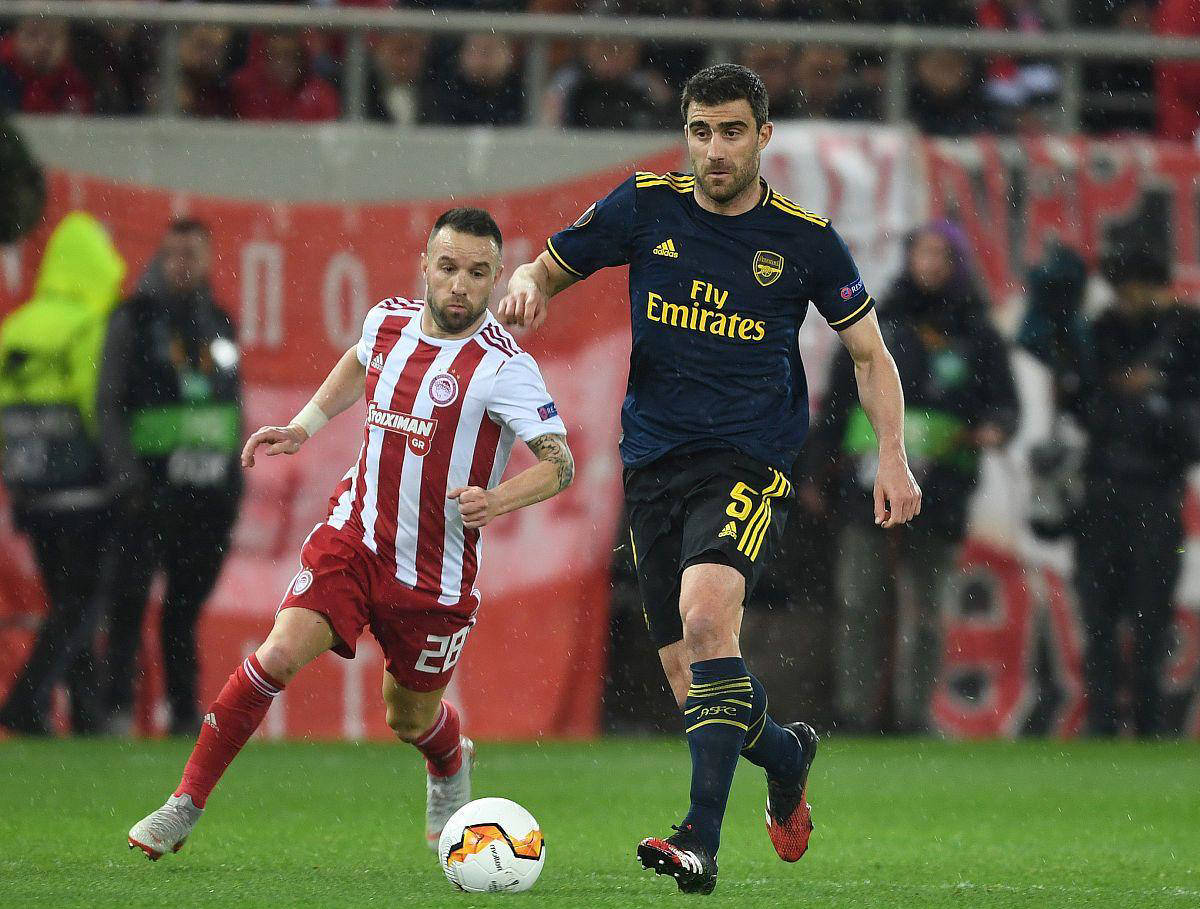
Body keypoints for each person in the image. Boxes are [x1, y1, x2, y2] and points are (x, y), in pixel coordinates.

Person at [498, 64, 920, 894]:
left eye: (731, 132)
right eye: (700, 132)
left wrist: (893, 454)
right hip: (654, 466)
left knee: (704, 618)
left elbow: (869, 353)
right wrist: (523, 285)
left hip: (748, 462)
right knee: (693, 678)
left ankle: (700, 838)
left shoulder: (804, 239)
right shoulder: (644, 206)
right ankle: (786, 753)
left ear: (763, 136)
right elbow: (544, 268)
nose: (715, 149)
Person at [126, 208, 575, 859]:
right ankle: (184, 803)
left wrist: (495, 499)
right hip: (354, 537)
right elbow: (360, 362)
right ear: (424, 265)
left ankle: (449, 757)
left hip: (434, 574)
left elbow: (560, 464)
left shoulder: (505, 367)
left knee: (407, 718)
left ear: (497, 276)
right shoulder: (388, 320)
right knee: (278, 655)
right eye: (447, 267)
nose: (460, 285)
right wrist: (303, 426)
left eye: (478, 273)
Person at [804, 222, 1018, 734]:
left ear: (958, 264)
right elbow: (836, 405)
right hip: (866, 488)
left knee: (926, 609)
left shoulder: (977, 333)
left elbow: (1005, 403)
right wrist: (813, 472)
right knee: (859, 601)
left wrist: (995, 427)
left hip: (940, 490)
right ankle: (854, 713)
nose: (930, 264)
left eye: (942, 255)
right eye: (923, 253)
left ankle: (913, 716)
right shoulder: (877, 322)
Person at [97, 219, 243, 736]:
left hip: (207, 497)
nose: (183, 263)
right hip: (147, 492)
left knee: (183, 611)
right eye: (174, 252)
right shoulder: (133, 319)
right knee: (128, 603)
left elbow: (231, 407)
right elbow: (109, 402)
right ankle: (115, 713)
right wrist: (126, 479)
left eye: (193, 253)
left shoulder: (221, 323)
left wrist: (234, 483)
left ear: (208, 259)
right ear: (160, 257)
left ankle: (183, 715)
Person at [0, 213, 125, 736]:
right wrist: (120, 472)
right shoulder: (90, 325)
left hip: (31, 489)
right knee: (83, 603)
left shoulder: (18, 326)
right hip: (82, 489)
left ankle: (85, 713)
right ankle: (26, 702)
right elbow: (98, 404)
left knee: (65, 601)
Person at [1075, 243, 1200, 736]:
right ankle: (1103, 721)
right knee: (1099, 614)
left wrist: (1157, 398)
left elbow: (1191, 427)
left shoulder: (1187, 334)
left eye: (1130, 288)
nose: (1123, 299)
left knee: (1151, 613)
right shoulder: (1100, 332)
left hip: (1157, 490)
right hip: (1102, 488)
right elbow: (1082, 403)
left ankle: (1148, 721)